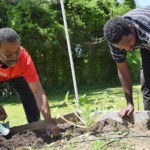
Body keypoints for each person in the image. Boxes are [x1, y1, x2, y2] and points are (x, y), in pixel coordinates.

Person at [0, 27, 60, 136]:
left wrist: (49, 121)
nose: (14, 58)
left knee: (30, 99)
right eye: (8, 54)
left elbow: (38, 92)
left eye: (17, 52)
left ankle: (35, 131)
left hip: (18, 76)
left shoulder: (24, 59)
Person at [103, 6, 150, 118]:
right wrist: (129, 103)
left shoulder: (146, 29)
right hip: (145, 44)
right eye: (123, 48)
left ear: (131, 28)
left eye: (129, 42)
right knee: (147, 84)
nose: (129, 49)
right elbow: (122, 70)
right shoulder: (114, 42)